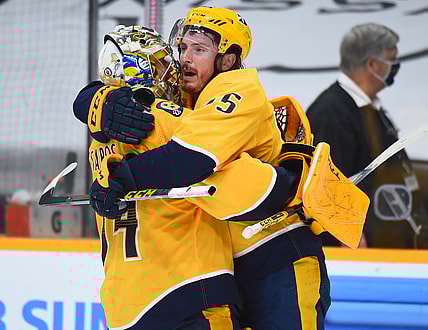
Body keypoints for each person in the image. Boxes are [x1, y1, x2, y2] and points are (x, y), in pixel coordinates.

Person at [75, 7, 333, 329]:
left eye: (199, 50)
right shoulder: (186, 100)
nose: (185, 58)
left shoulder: (241, 90)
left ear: (227, 60)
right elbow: (136, 99)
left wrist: (118, 178)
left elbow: (189, 159)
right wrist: (94, 99)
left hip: (276, 254)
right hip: (230, 265)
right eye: (182, 48)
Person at [306, 23, 428, 248]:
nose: (395, 66)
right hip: (362, 244)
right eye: (392, 59)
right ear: (373, 65)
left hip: (392, 229)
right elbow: (326, 184)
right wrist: (346, 235)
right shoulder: (331, 113)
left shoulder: (370, 107)